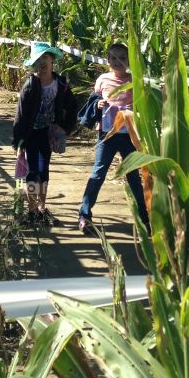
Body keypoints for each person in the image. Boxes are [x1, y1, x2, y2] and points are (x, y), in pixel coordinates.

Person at [77, 42, 148, 234]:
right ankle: (84, 215)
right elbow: (95, 100)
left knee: (133, 176)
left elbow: (142, 105)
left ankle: (145, 218)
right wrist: (98, 104)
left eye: (122, 58)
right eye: (113, 58)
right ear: (107, 60)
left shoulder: (134, 81)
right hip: (107, 134)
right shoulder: (103, 79)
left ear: (129, 60)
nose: (118, 62)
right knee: (98, 173)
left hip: (129, 135)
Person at [11, 40, 77, 226]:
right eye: (38, 58)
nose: (42, 62)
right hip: (31, 133)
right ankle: (32, 210)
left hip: (46, 133)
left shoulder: (60, 84)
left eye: (45, 57)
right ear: (34, 63)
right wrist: (18, 141)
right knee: (33, 171)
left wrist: (64, 127)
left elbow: (72, 106)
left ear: (52, 60)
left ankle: (41, 208)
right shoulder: (30, 86)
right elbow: (20, 115)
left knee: (44, 170)